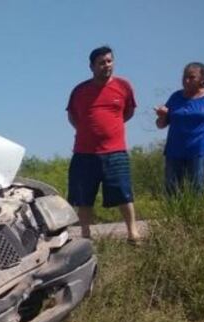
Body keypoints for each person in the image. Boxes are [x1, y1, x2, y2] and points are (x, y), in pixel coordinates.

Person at [66, 46, 141, 243]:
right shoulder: (80, 90)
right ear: (92, 66)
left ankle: (133, 233)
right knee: (83, 197)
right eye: (101, 62)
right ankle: (85, 235)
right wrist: (87, 130)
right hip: (84, 152)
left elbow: (129, 112)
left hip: (115, 151)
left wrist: (110, 129)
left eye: (109, 61)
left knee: (124, 193)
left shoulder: (123, 86)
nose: (106, 65)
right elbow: (72, 116)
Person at [154, 62, 204, 194]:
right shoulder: (176, 97)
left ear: (202, 79)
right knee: (172, 189)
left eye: (191, 77)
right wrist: (162, 116)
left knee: (198, 188)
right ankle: (174, 215)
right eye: (184, 77)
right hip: (174, 151)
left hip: (200, 150)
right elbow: (161, 125)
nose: (186, 80)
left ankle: (198, 215)